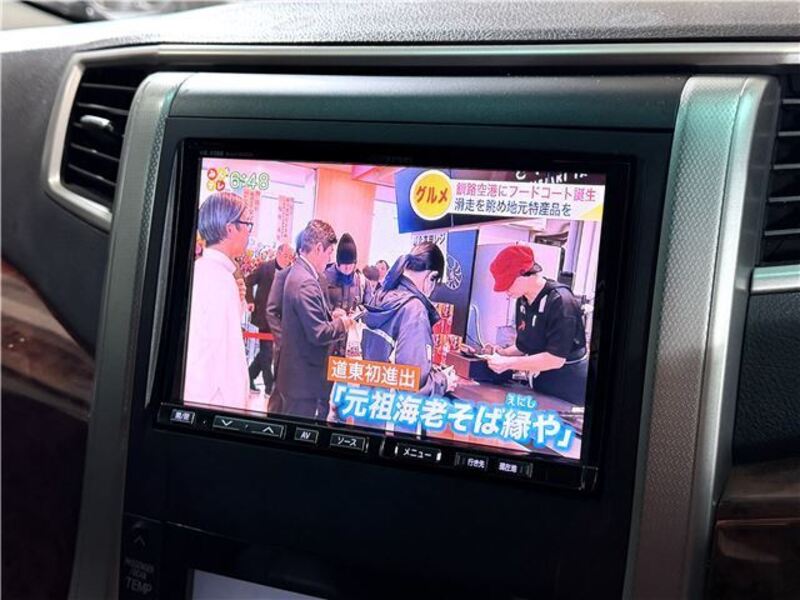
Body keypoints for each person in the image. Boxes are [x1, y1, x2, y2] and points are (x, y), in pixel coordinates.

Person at [483, 244, 588, 406]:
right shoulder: (522, 300)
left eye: (508, 283)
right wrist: (502, 353)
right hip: (540, 386)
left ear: (525, 274)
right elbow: (525, 345)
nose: (506, 291)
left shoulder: (561, 301)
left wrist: (508, 363)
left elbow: (555, 359)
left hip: (568, 389)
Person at [275, 220, 353, 419]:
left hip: (296, 375)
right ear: (318, 248)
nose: (329, 259)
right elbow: (318, 333)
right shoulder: (306, 282)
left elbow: (308, 320)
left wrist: (331, 317)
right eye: (329, 252)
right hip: (301, 379)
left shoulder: (300, 272)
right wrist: (342, 324)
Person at [184, 192, 253, 410]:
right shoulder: (219, 280)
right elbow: (227, 360)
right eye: (247, 224)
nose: (249, 232)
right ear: (230, 228)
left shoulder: (205, 270)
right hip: (214, 404)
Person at [361, 242, 457, 398]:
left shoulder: (380, 296)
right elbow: (413, 387)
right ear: (431, 277)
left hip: (369, 401)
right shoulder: (414, 310)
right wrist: (443, 381)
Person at [245, 243, 294, 393]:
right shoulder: (265, 267)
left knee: (266, 352)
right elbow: (248, 281)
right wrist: (250, 301)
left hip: (279, 319)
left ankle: (249, 376)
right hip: (263, 316)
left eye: (290, 257)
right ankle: (269, 386)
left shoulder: (290, 273)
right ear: (278, 253)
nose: (288, 259)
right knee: (267, 352)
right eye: (285, 256)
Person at [324, 232, 367, 356]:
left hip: (350, 339)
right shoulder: (325, 277)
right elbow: (316, 307)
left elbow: (368, 306)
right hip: (329, 337)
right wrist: (331, 313)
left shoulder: (360, 280)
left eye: (351, 265)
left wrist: (358, 312)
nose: (347, 268)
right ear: (338, 262)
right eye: (344, 264)